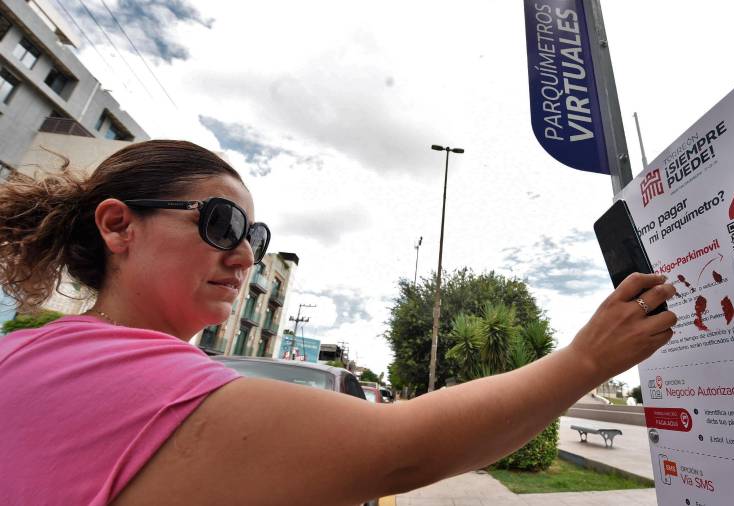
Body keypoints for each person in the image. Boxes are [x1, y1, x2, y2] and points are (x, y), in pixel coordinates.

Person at [0, 140, 677, 505]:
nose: (245, 257)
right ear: (118, 225)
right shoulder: (128, 377)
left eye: (255, 237)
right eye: (223, 224)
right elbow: (404, 448)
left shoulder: (27, 356)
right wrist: (587, 360)